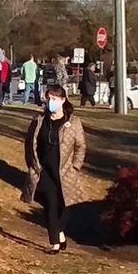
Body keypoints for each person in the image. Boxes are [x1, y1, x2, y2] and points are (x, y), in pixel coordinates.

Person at [21, 85, 87, 253]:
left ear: (63, 100)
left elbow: (80, 146)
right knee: (50, 205)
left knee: (65, 205)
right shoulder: (39, 121)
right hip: (45, 170)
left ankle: (60, 232)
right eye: (49, 98)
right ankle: (55, 242)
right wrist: (32, 164)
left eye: (55, 99)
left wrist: (76, 165)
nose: (51, 102)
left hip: (65, 170)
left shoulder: (73, 122)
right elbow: (30, 144)